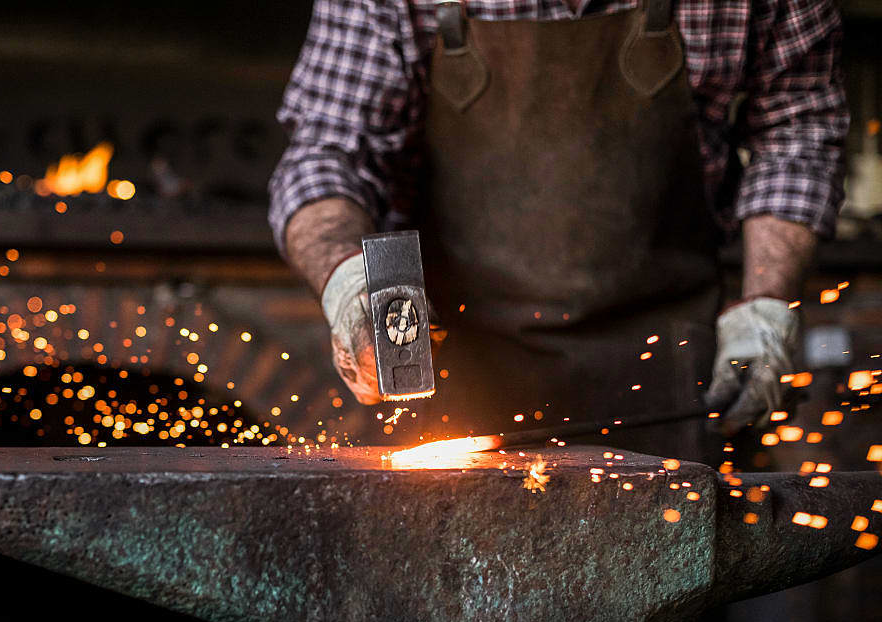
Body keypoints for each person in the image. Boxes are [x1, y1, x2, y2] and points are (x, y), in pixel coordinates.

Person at [269, 0, 847, 463]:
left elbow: (797, 129)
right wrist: (348, 283)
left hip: (669, 378)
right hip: (461, 372)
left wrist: (766, 303)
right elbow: (327, 153)